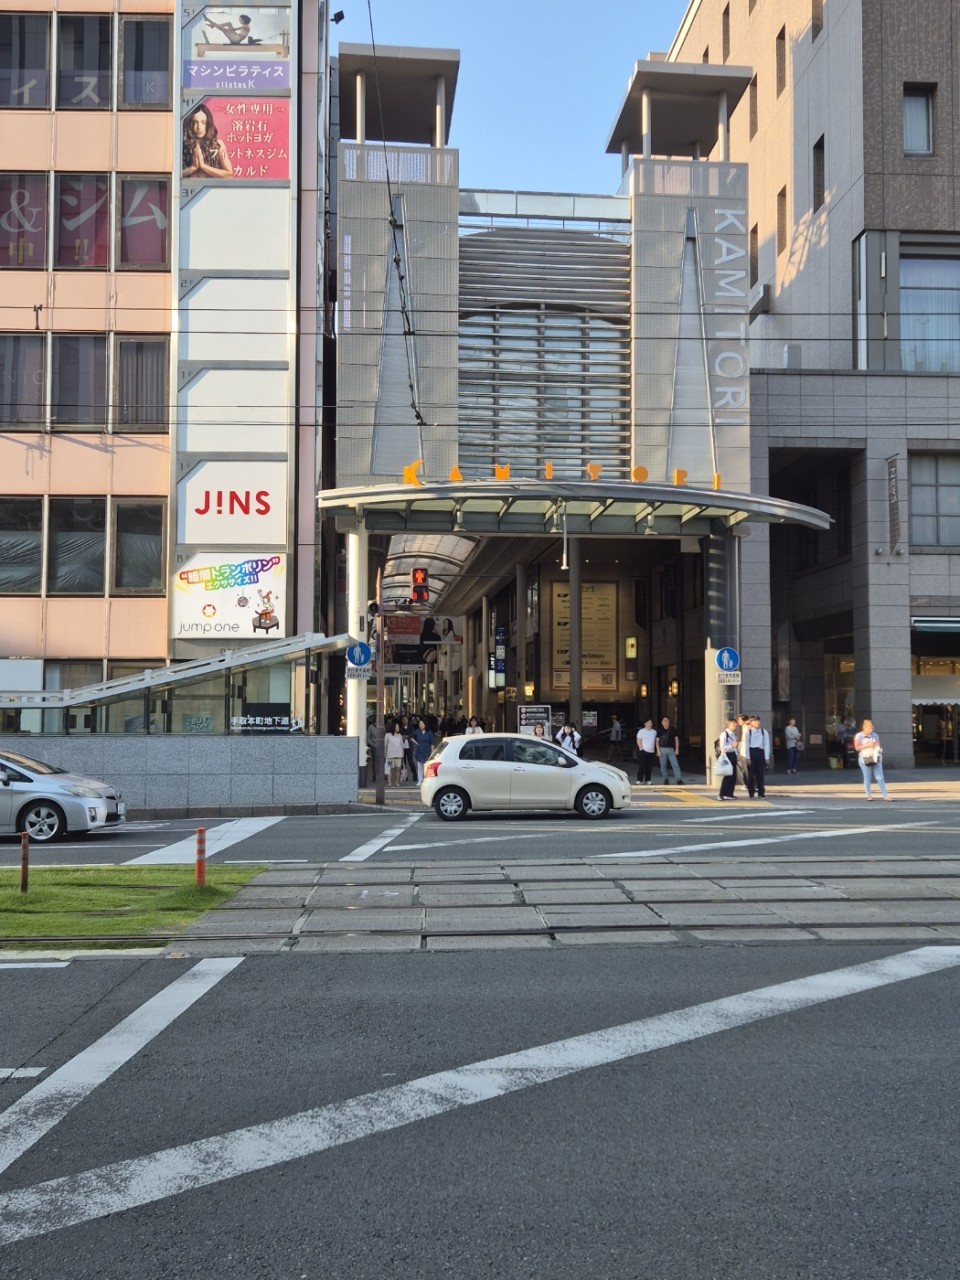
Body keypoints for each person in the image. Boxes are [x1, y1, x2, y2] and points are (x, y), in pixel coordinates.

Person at [182, 104, 234, 179]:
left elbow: (229, 175)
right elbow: (174, 175)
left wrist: (204, 166)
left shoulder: (217, 144)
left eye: (203, 122)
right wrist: (193, 168)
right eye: (195, 122)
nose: (199, 127)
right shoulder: (183, 145)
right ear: (190, 124)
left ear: (208, 124)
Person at [853, 718, 892, 800]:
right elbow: (857, 748)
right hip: (864, 758)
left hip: (875, 757)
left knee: (880, 776)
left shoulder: (875, 735)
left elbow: (877, 744)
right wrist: (868, 745)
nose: (871, 730)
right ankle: (868, 795)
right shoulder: (859, 736)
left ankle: (885, 795)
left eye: (872, 728)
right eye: (869, 728)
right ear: (864, 728)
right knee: (867, 777)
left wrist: (877, 747)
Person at [744, 714, 772, 798]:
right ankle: (751, 792)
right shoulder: (748, 732)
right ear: (751, 722)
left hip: (760, 752)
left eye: (758, 720)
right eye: (755, 721)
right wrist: (748, 757)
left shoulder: (764, 732)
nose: (757, 722)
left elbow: (766, 745)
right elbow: (746, 745)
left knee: (760, 774)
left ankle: (761, 792)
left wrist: (767, 757)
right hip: (752, 752)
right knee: (751, 774)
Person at [717, 716, 740, 800]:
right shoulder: (724, 734)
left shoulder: (734, 734)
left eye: (735, 723)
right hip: (727, 756)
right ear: (728, 724)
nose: (735, 725)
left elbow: (735, 747)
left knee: (733, 776)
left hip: (733, 755)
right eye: (733, 723)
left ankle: (729, 794)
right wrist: (731, 746)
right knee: (727, 775)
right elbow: (722, 748)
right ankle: (721, 794)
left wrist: (737, 755)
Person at [656, 716, 684, 784]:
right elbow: (657, 741)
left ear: (669, 722)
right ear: (662, 722)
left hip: (671, 750)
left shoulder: (673, 729)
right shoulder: (659, 731)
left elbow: (676, 740)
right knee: (663, 766)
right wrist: (658, 751)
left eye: (667, 720)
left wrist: (677, 749)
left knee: (675, 765)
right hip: (662, 750)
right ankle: (665, 780)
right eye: (664, 721)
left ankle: (679, 780)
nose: (666, 722)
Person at [635, 718, 658, 785]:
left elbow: (656, 741)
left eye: (651, 722)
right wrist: (641, 748)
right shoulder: (641, 731)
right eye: (649, 722)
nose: (651, 724)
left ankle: (648, 779)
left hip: (652, 751)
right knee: (642, 766)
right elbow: (638, 740)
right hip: (644, 751)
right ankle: (639, 779)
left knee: (649, 766)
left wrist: (656, 750)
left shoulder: (654, 732)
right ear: (645, 724)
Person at [384, 721, 405, 787]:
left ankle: (397, 782)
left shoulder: (400, 735)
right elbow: (385, 745)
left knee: (398, 769)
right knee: (389, 769)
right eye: (397, 726)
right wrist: (385, 753)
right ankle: (389, 782)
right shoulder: (387, 735)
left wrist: (402, 754)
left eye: (398, 726)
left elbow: (402, 745)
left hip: (399, 755)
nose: (398, 728)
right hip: (390, 755)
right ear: (393, 727)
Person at [413, 718, 434, 783]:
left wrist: (432, 752)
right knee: (419, 767)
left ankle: (427, 780)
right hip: (419, 751)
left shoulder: (429, 732)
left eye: (422, 723)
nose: (420, 725)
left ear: (425, 724)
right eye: (420, 724)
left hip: (427, 752)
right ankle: (420, 780)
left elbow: (432, 743)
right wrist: (416, 743)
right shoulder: (417, 732)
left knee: (427, 767)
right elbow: (410, 736)